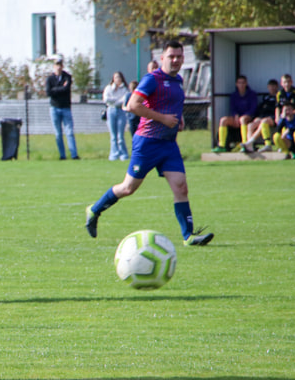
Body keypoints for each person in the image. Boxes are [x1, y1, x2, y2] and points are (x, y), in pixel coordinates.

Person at [84, 41, 214, 247]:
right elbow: (132, 105)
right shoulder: (152, 79)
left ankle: (188, 236)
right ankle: (94, 210)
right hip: (147, 143)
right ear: (162, 58)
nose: (176, 60)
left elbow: (172, 103)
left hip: (169, 145)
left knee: (181, 187)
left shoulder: (178, 80)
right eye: (171, 56)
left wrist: (179, 119)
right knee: (128, 188)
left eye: (179, 56)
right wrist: (163, 119)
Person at [212, 75, 258, 152]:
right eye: (239, 83)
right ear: (236, 84)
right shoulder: (234, 95)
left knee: (243, 119)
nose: (241, 85)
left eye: (243, 83)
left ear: (246, 84)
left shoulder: (252, 94)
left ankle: (244, 144)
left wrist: (244, 115)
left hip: (248, 117)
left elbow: (253, 109)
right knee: (223, 120)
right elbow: (233, 108)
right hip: (237, 118)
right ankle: (221, 145)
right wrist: (235, 115)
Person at [46, 58, 79, 160]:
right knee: (58, 133)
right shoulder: (50, 79)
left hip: (65, 108)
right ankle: (62, 155)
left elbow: (66, 89)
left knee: (69, 132)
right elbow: (48, 92)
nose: (58, 67)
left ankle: (74, 155)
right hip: (54, 108)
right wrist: (59, 88)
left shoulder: (67, 77)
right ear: (54, 66)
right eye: (57, 65)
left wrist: (55, 89)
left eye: (60, 65)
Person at [240, 79, 279, 153]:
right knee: (250, 125)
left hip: (273, 117)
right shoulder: (266, 97)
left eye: (274, 86)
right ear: (268, 87)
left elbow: (276, 108)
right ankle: (249, 146)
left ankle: (267, 144)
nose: (272, 88)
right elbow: (261, 109)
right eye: (270, 86)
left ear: (277, 87)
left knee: (264, 122)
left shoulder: (278, 96)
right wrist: (258, 117)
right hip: (264, 117)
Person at [102, 71, 129, 161]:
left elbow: (124, 100)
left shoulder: (124, 89)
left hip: (121, 111)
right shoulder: (109, 88)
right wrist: (115, 100)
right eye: (116, 77)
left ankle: (123, 154)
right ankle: (114, 154)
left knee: (120, 136)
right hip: (111, 110)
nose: (117, 79)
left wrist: (115, 101)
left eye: (119, 77)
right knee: (113, 136)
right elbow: (106, 99)